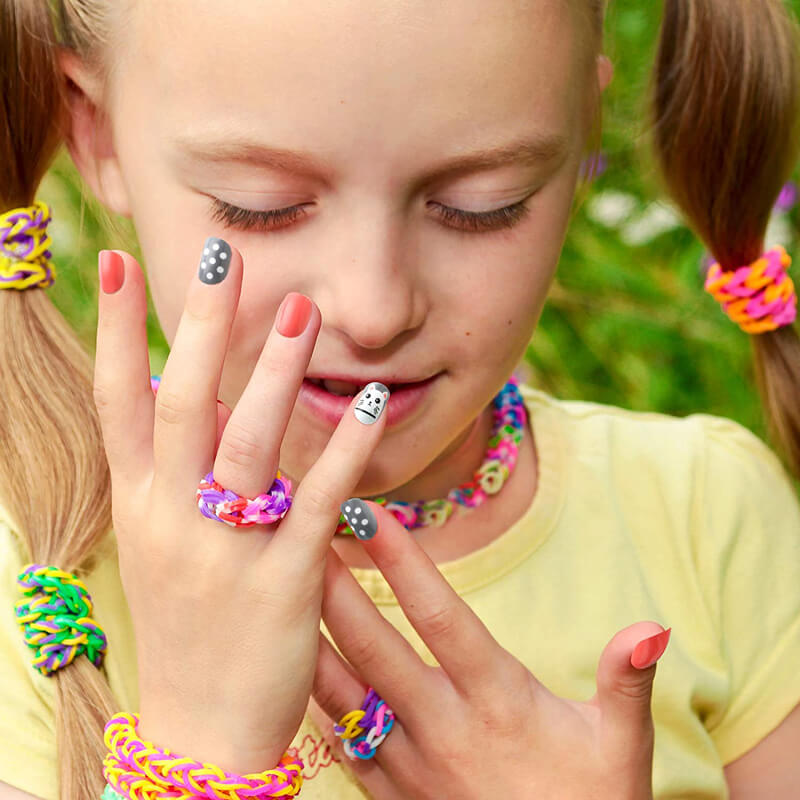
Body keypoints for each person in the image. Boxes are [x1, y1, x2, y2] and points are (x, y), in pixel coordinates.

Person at [1, 0, 799, 797]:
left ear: (583, 130)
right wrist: (199, 748)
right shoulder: (35, 580)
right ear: (96, 132)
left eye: (483, 204)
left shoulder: (707, 515)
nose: (375, 310)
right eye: (263, 204)